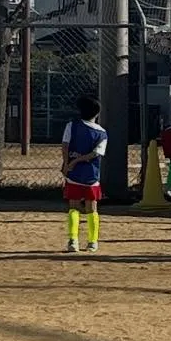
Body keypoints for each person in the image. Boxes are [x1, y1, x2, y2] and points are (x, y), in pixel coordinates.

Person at [61, 95, 107, 253]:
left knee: (73, 206)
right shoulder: (102, 133)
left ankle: (73, 240)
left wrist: (68, 163)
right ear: (97, 114)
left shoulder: (72, 125)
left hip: (74, 173)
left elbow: (65, 146)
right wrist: (78, 161)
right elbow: (95, 153)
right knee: (91, 208)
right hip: (91, 174)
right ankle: (92, 242)